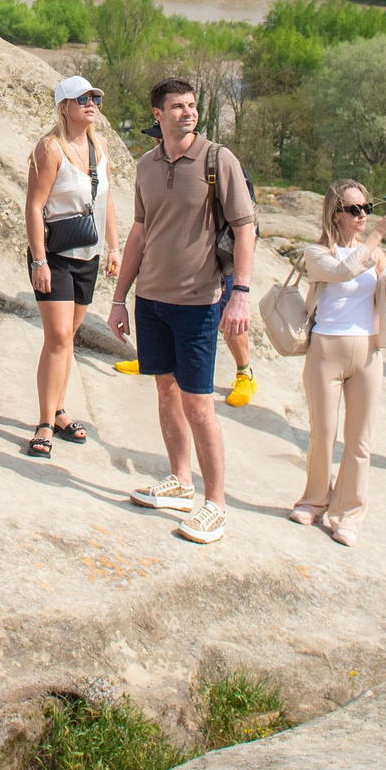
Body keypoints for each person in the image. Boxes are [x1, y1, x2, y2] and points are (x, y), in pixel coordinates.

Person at [106, 77, 257, 544]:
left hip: (199, 302)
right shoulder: (146, 165)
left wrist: (241, 292)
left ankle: (216, 504)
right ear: (158, 114)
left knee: (199, 405)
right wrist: (119, 299)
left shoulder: (218, 160)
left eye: (191, 105)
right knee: (165, 392)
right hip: (151, 300)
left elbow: (245, 226)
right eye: (177, 106)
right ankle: (180, 481)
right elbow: (138, 233)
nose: (187, 112)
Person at [288, 181, 386, 545]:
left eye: (366, 208)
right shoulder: (316, 252)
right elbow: (343, 271)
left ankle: (349, 514)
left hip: (368, 350)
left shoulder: (377, 254)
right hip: (326, 348)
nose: (362, 215)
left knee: (359, 440)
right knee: (322, 434)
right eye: (354, 209)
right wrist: (376, 236)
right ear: (335, 213)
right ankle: (314, 500)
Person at [22, 74, 114, 458]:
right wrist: (39, 261)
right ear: (64, 107)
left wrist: (114, 247)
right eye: (83, 99)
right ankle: (44, 422)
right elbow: (34, 207)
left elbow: (106, 200)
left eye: (95, 98)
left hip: (88, 255)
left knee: (68, 337)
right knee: (58, 336)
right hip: (55, 255)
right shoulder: (50, 148)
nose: (91, 104)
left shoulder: (100, 146)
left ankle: (59, 411)